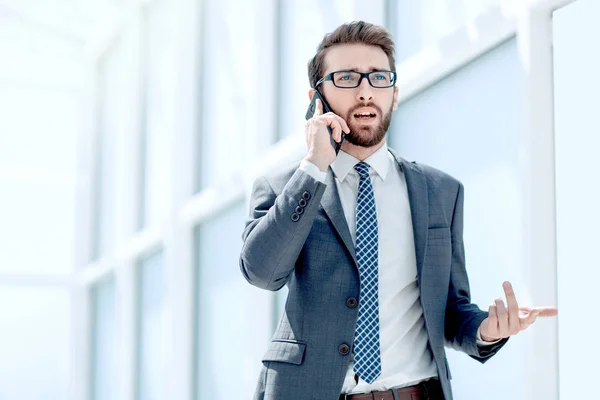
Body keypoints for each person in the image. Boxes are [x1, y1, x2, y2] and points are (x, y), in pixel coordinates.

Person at [239, 21, 558, 400]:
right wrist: (313, 166)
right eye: (346, 78)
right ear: (316, 98)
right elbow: (262, 272)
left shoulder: (440, 191)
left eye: (378, 78)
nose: (364, 92)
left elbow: (450, 310)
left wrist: (486, 330)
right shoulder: (285, 185)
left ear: (394, 93)